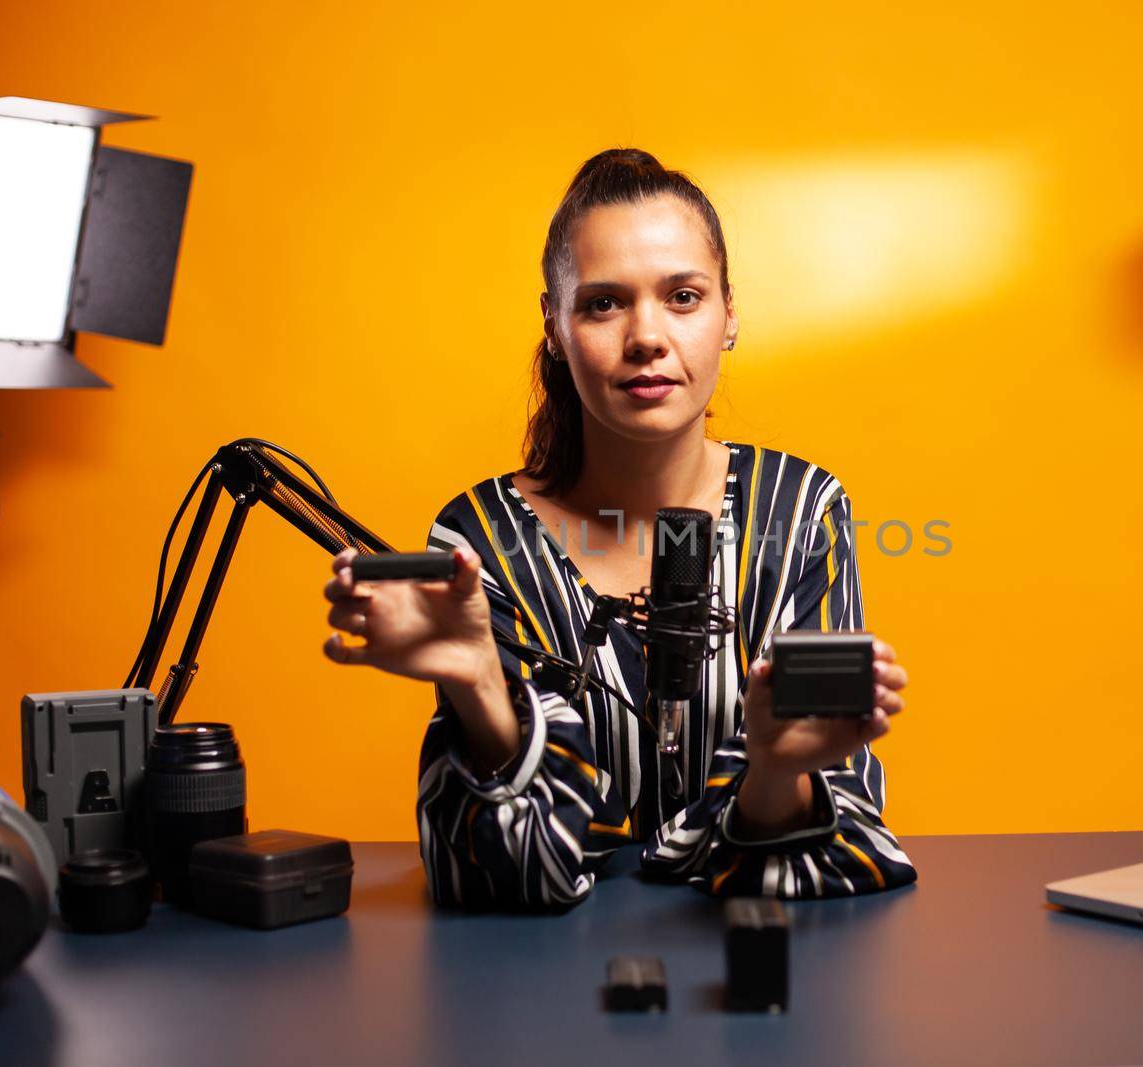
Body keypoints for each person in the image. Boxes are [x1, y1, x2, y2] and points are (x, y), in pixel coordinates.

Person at [321, 148, 915, 908]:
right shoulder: (479, 539)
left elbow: (844, 847)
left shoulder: (800, 510)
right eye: (603, 303)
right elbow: (493, 877)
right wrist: (478, 685)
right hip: (538, 996)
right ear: (555, 327)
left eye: (683, 296)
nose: (646, 337)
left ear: (729, 315)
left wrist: (773, 770)